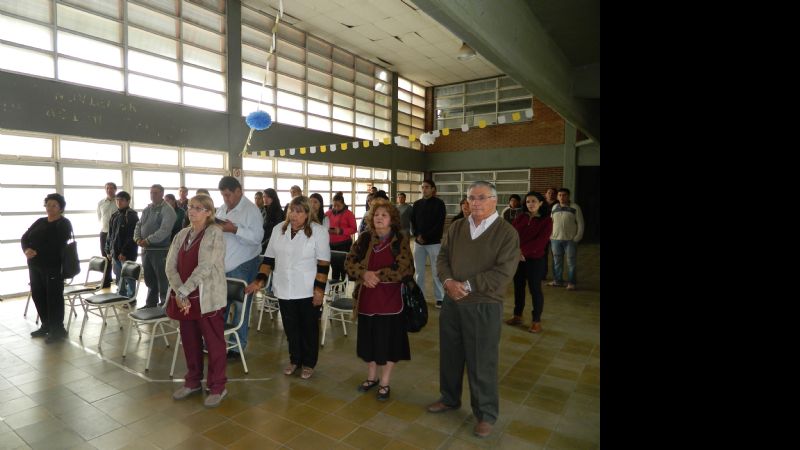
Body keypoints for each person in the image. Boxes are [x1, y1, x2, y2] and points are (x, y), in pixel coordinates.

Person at [427, 181, 519, 439]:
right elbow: (442, 258)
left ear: (494, 201)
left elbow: (503, 272)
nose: (475, 202)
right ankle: (449, 398)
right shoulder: (457, 227)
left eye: (481, 197)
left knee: (482, 361)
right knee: (450, 354)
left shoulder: (506, 233)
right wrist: (447, 282)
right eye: (471, 198)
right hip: (453, 303)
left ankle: (485, 414)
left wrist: (466, 285)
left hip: (484, 305)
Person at [246, 196, 330, 380]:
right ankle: (295, 360)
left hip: (308, 289)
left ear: (308, 214)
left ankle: (308, 363)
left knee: (309, 328)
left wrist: (319, 291)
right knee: (291, 328)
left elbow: (324, 263)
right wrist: (259, 280)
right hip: (284, 287)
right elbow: (268, 259)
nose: (294, 215)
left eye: (299, 211)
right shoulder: (278, 230)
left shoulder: (318, 231)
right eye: (291, 210)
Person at [345, 198, 414, 402]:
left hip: (391, 302)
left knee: (389, 343)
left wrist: (376, 275)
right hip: (367, 300)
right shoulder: (364, 238)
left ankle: (384, 382)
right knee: (369, 341)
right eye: (376, 215)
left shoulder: (400, 240)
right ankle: (371, 377)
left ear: (392, 219)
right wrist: (364, 274)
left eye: (384, 215)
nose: (379, 218)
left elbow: (405, 268)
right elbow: (350, 262)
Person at [166, 194, 229, 408]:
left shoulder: (214, 234)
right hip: (184, 298)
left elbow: (206, 267)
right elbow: (170, 266)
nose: (192, 211)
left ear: (209, 212)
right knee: (190, 342)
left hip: (207, 298)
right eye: (190, 207)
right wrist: (179, 292)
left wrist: (183, 291)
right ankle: (192, 382)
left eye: (198, 208)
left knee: (214, 344)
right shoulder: (182, 234)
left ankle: (218, 385)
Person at [216, 176, 264, 359]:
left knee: (241, 306)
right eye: (223, 195)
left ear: (238, 191)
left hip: (243, 265)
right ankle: (217, 341)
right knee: (221, 306)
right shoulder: (222, 209)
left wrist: (234, 229)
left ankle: (237, 347)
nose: (226, 199)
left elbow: (257, 238)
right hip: (223, 266)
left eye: (228, 195)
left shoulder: (251, 210)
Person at [21, 193, 74, 343]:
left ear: (60, 208)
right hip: (34, 265)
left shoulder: (64, 223)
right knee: (38, 295)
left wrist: (36, 251)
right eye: (48, 205)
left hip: (53, 267)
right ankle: (46, 325)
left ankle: (58, 330)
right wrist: (26, 250)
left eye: (54, 205)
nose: (49, 208)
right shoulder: (40, 221)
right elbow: (25, 237)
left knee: (54, 297)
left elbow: (57, 244)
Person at [506, 191, 553, 333]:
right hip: (518, 260)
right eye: (527, 202)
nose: (530, 204)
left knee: (535, 290)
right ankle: (517, 315)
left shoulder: (546, 220)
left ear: (540, 203)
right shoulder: (521, 217)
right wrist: (515, 251)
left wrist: (522, 251)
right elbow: (511, 235)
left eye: (533, 201)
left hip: (535, 260)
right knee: (518, 288)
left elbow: (541, 242)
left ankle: (536, 321)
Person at [134, 184, 177, 309]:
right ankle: (151, 303)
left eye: (156, 193)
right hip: (146, 250)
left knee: (162, 279)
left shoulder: (168, 210)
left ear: (162, 194)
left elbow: (164, 230)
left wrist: (148, 240)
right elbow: (138, 224)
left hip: (160, 251)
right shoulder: (148, 209)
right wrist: (137, 238)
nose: (153, 195)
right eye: (151, 192)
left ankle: (165, 305)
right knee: (149, 279)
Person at [409, 179, 447, 308]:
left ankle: (440, 297)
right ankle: (420, 296)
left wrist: (425, 236)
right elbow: (412, 222)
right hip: (418, 243)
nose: (424, 189)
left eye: (426, 187)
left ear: (433, 189)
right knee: (419, 272)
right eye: (423, 187)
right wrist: (416, 235)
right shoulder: (417, 204)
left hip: (433, 243)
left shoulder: (439, 204)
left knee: (436, 271)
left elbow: (439, 224)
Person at [105, 191, 139, 302]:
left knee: (129, 276)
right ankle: (121, 294)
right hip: (115, 252)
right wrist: (108, 250)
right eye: (117, 200)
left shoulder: (131, 215)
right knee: (119, 275)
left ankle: (131, 297)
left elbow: (131, 236)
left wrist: (124, 252)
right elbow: (110, 234)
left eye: (122, 200)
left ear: (128, 201)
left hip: (127, 253)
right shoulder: (115, 215)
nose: (119, 202)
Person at [548, 188, 584, 290]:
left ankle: (572, 283)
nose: (562, 197)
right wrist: (550, 235)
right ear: (557, 196)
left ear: (568, 196)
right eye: (559, 195)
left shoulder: (575, 207)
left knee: (571, 262)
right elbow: (551, 222)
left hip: (570, 240)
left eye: (564, 195)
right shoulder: (555, 207)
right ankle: (558, 281)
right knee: (557, 261)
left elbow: (581, 223)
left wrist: (577, 237)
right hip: (555, 239)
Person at [324, 193, 357, 281]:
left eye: (338, 205)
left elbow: (354, 229)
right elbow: (322, 225)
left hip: (344, 245)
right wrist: (326, 230)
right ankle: (335, 290)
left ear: (343, 204)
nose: (336, 207)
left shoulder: (349, 214)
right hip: (331, 245)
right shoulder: (327, 213)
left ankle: (343, 289)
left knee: (344, 268)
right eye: (334, 205)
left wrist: (341, 231)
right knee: (334, 268)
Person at [97, 182, 117, 288]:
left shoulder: (119, 201)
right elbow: (99, 217)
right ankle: (106, 280)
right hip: (104, 232)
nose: (109, 190)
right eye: (107, 188)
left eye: (111, 188)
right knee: (105, 257)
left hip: (116, 234)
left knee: (117, 257)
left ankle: (121, 281)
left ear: (115, 189)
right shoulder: (101, 202)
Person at [262, 188, 285, 254]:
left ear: (273, 198)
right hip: (263, 244)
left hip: (271, 246)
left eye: (268, 197)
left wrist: (263, 244)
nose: (265, 199)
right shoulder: (264, 211)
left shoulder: (278, 212)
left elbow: (278, 232)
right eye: (264, 196)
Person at [543, 187, 558, 280]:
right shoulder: (541, 204)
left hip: (554, 232)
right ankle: (543, 274)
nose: (550, 194)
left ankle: (556, 276)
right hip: (543, 232)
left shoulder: (558, 204)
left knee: (555, 255)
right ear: (546, 194)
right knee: (542, 255)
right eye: (549, 192)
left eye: (553, 193)